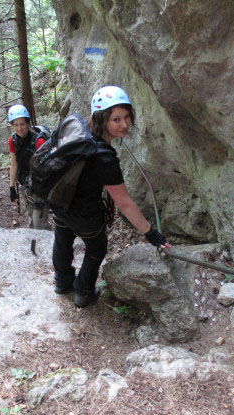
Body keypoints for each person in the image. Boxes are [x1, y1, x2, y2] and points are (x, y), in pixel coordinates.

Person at [52, 86, 171, 308]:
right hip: (84, 214)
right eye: (116, 119)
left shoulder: (79, 130)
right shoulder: (104, 158)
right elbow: (124, 203)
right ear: (102, 118)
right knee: (97, 248)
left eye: (126, 117)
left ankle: (62, 281)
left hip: (59, 202)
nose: (124, 124)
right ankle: (83, 291)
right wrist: (150, 233)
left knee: (62, 238)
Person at [7, 104, 50, 229]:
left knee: (39, 224)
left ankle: (52, 246)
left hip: (40, 187)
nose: (19, 128)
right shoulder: (13, 141)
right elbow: (14, 164)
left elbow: (48, 167)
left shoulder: (39, 141)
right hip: (25, 187)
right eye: (16, 125)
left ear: (27, 123)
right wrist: (12, 188)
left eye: (22, 124)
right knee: (32, 221)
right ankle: (39, 247)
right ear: (12, 125)